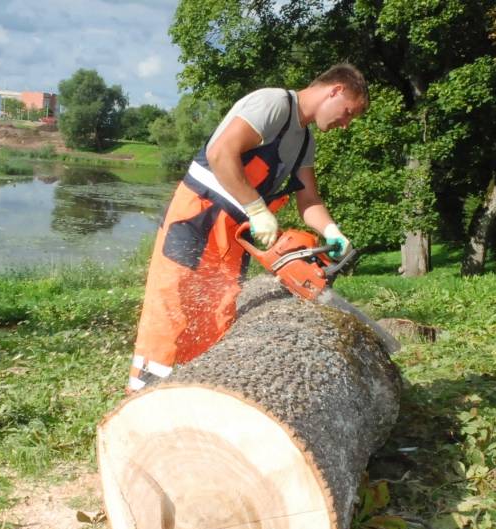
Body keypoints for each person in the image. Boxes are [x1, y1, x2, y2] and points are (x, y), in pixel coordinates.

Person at [127, 64, 369, 393]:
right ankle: (143, 396)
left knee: (217, 315)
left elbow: (308, 199)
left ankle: (191, 395)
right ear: (336, 90)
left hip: (235, 235)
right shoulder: (274, 105)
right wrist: (256, 208)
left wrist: (332, 231)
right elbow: (220, 152)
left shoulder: (303, 142)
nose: (345, 123)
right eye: (348, 113)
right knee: (172, 309)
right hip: (198, 219)